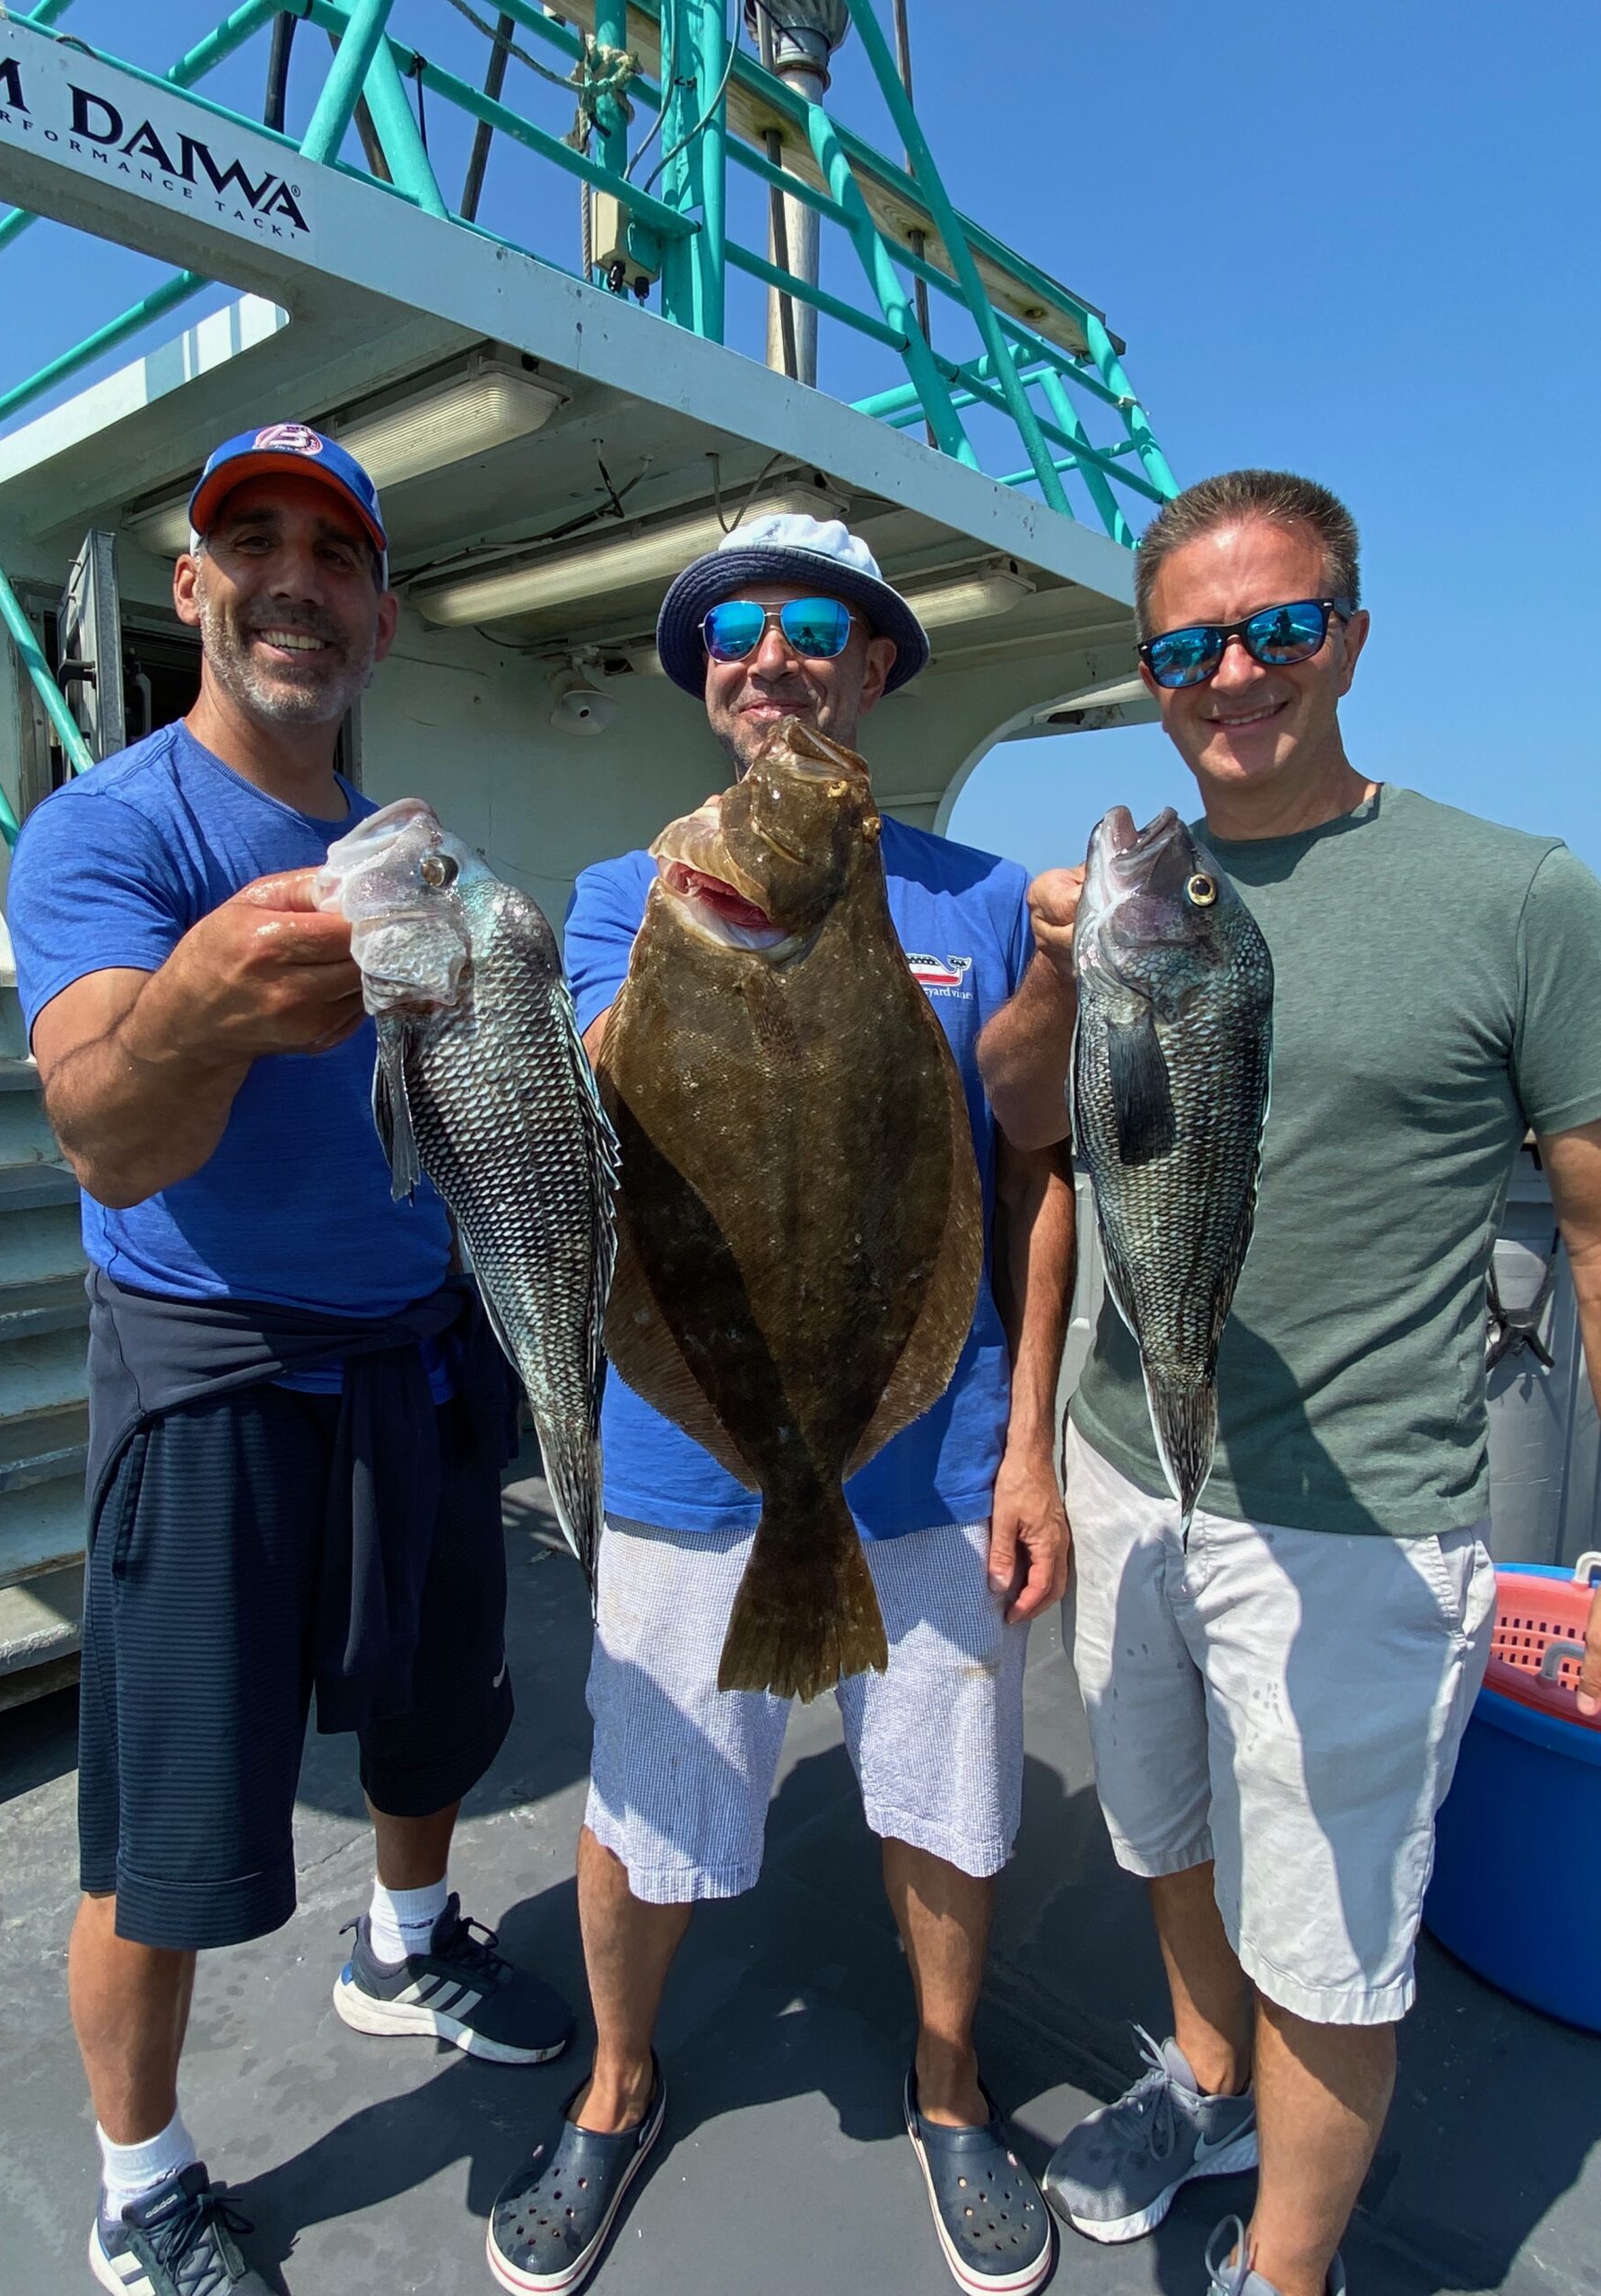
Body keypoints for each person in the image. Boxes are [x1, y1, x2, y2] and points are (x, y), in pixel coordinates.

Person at [978, 469, 1601, 2296]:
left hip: (1361, 1515)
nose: (1235, 670)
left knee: (1334, 1935)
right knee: (1164, 1829)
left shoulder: (1521, 893)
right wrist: (1040, 975)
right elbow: (1033, 1139)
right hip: (1123, 1461)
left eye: (1279, 626)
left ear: (1350, 634)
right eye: (1187, 643)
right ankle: (1210, 2077)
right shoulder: (1125, 902)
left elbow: (1588, 1211)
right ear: (1151, 672)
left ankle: (1289, 2265)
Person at [7, 423, 574, 2296]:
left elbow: (485, 1110)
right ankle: (143, 2180)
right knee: (162, 1826)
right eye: (252, 545)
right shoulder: (114, 829)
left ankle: (407, 1936)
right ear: (191, 586)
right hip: (214, 1370)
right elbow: (104, 1123)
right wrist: (194, 1006)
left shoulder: (403, 848)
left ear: (383, 619)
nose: (293, 585)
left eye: (334, 559)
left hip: (420, 1344)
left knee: (435, 1707)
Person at [484, 512, 1077, 2296]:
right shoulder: (625, 891)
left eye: (815, 624)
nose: (771, 654)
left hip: (936, 1445)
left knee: (949, 1797)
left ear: (877, 663)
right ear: (708, 676)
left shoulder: (980, 897)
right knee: (646, 1791)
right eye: (733, 630)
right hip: (694, 1438)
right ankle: (613, 2084)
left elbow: (1037, 1167)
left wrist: (1033, 1431)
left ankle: (952, 2086)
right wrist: (674, 943)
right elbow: (595, 1085)